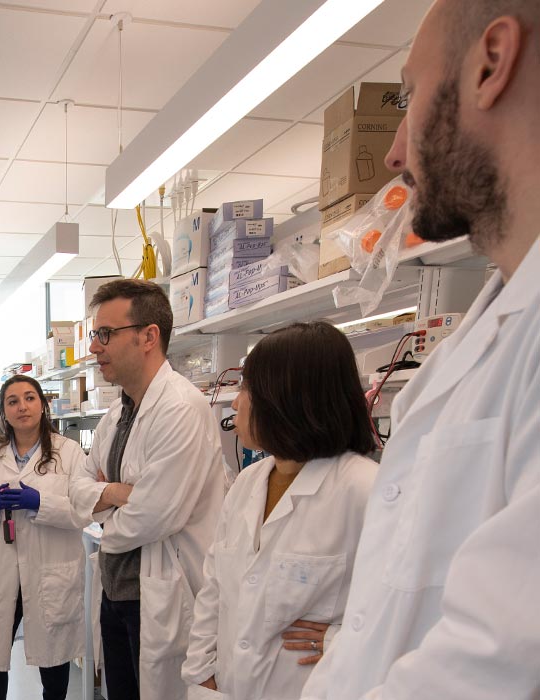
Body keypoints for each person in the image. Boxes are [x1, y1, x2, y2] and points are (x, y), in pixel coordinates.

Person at [301, 2, 540, 698]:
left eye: (408, 97)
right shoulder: (496, 322)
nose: (394, 153)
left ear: (491, 64)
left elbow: (501, 656)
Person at [181, 322, 378, 699]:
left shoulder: (365, 491)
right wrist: (202, 672)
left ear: (288, 398)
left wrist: (341, 640)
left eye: (247, 388)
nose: (237, 402)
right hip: (227, 686)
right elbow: (215, 588)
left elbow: (407, 614)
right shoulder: (249, 481)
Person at [69, 279, 226, 698]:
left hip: (161, 596)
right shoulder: (118, 414)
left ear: (148, 337)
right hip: (117, 592)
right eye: (94, 335)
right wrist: (122, 494)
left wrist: (107, 511)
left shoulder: (180, 409)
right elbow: (77, 487)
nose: (94, 347)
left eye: (105, 334)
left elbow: (154, 516)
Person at [0, 375, 89, 700]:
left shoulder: (69, 452)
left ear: (42, 405)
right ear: (4, 411)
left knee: (54, 665)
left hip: (50, 574)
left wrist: (40, 503)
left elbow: (84, 510)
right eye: (13, 401)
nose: (22, 407)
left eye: (29, 398)